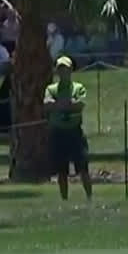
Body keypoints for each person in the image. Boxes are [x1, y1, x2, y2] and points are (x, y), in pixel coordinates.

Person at [43, 56, 92, 201]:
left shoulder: (78, 87)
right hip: (58, 133)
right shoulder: (51, 89)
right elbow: (47, 105)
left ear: (71, 70)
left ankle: (89, 197)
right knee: (61, 171)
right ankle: (64, 199)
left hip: (75, 133)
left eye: (65, 69)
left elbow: (80, 105)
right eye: (60, 69)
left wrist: (58, 105)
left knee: (83, 168)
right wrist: (68, 104)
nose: (63, 72)